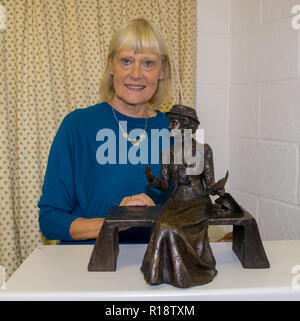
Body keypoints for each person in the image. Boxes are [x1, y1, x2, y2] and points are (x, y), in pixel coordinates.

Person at [38, 18, 172, 244]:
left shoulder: (180, 131)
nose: (136, 73)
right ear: (110, 64)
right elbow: (50, 220)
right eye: (126, 61)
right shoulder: (76, 125)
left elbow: (195, 213)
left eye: (148, 63)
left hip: (158, 266)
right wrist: (114, 223)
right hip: (90, 267)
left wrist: (156, 215)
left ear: (163, 70)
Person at [141, 105, 225, 288]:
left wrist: (217, 188)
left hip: (197, 200)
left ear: (187, 126)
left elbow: (209, 183)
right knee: (163, 226)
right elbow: (165, 185)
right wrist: (153, 181)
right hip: (176, 200)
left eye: (174, 123)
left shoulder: (204, 150)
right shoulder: (167, 153)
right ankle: (163, 272)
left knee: (171, 228)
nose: (170, 127)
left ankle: (195, 271)